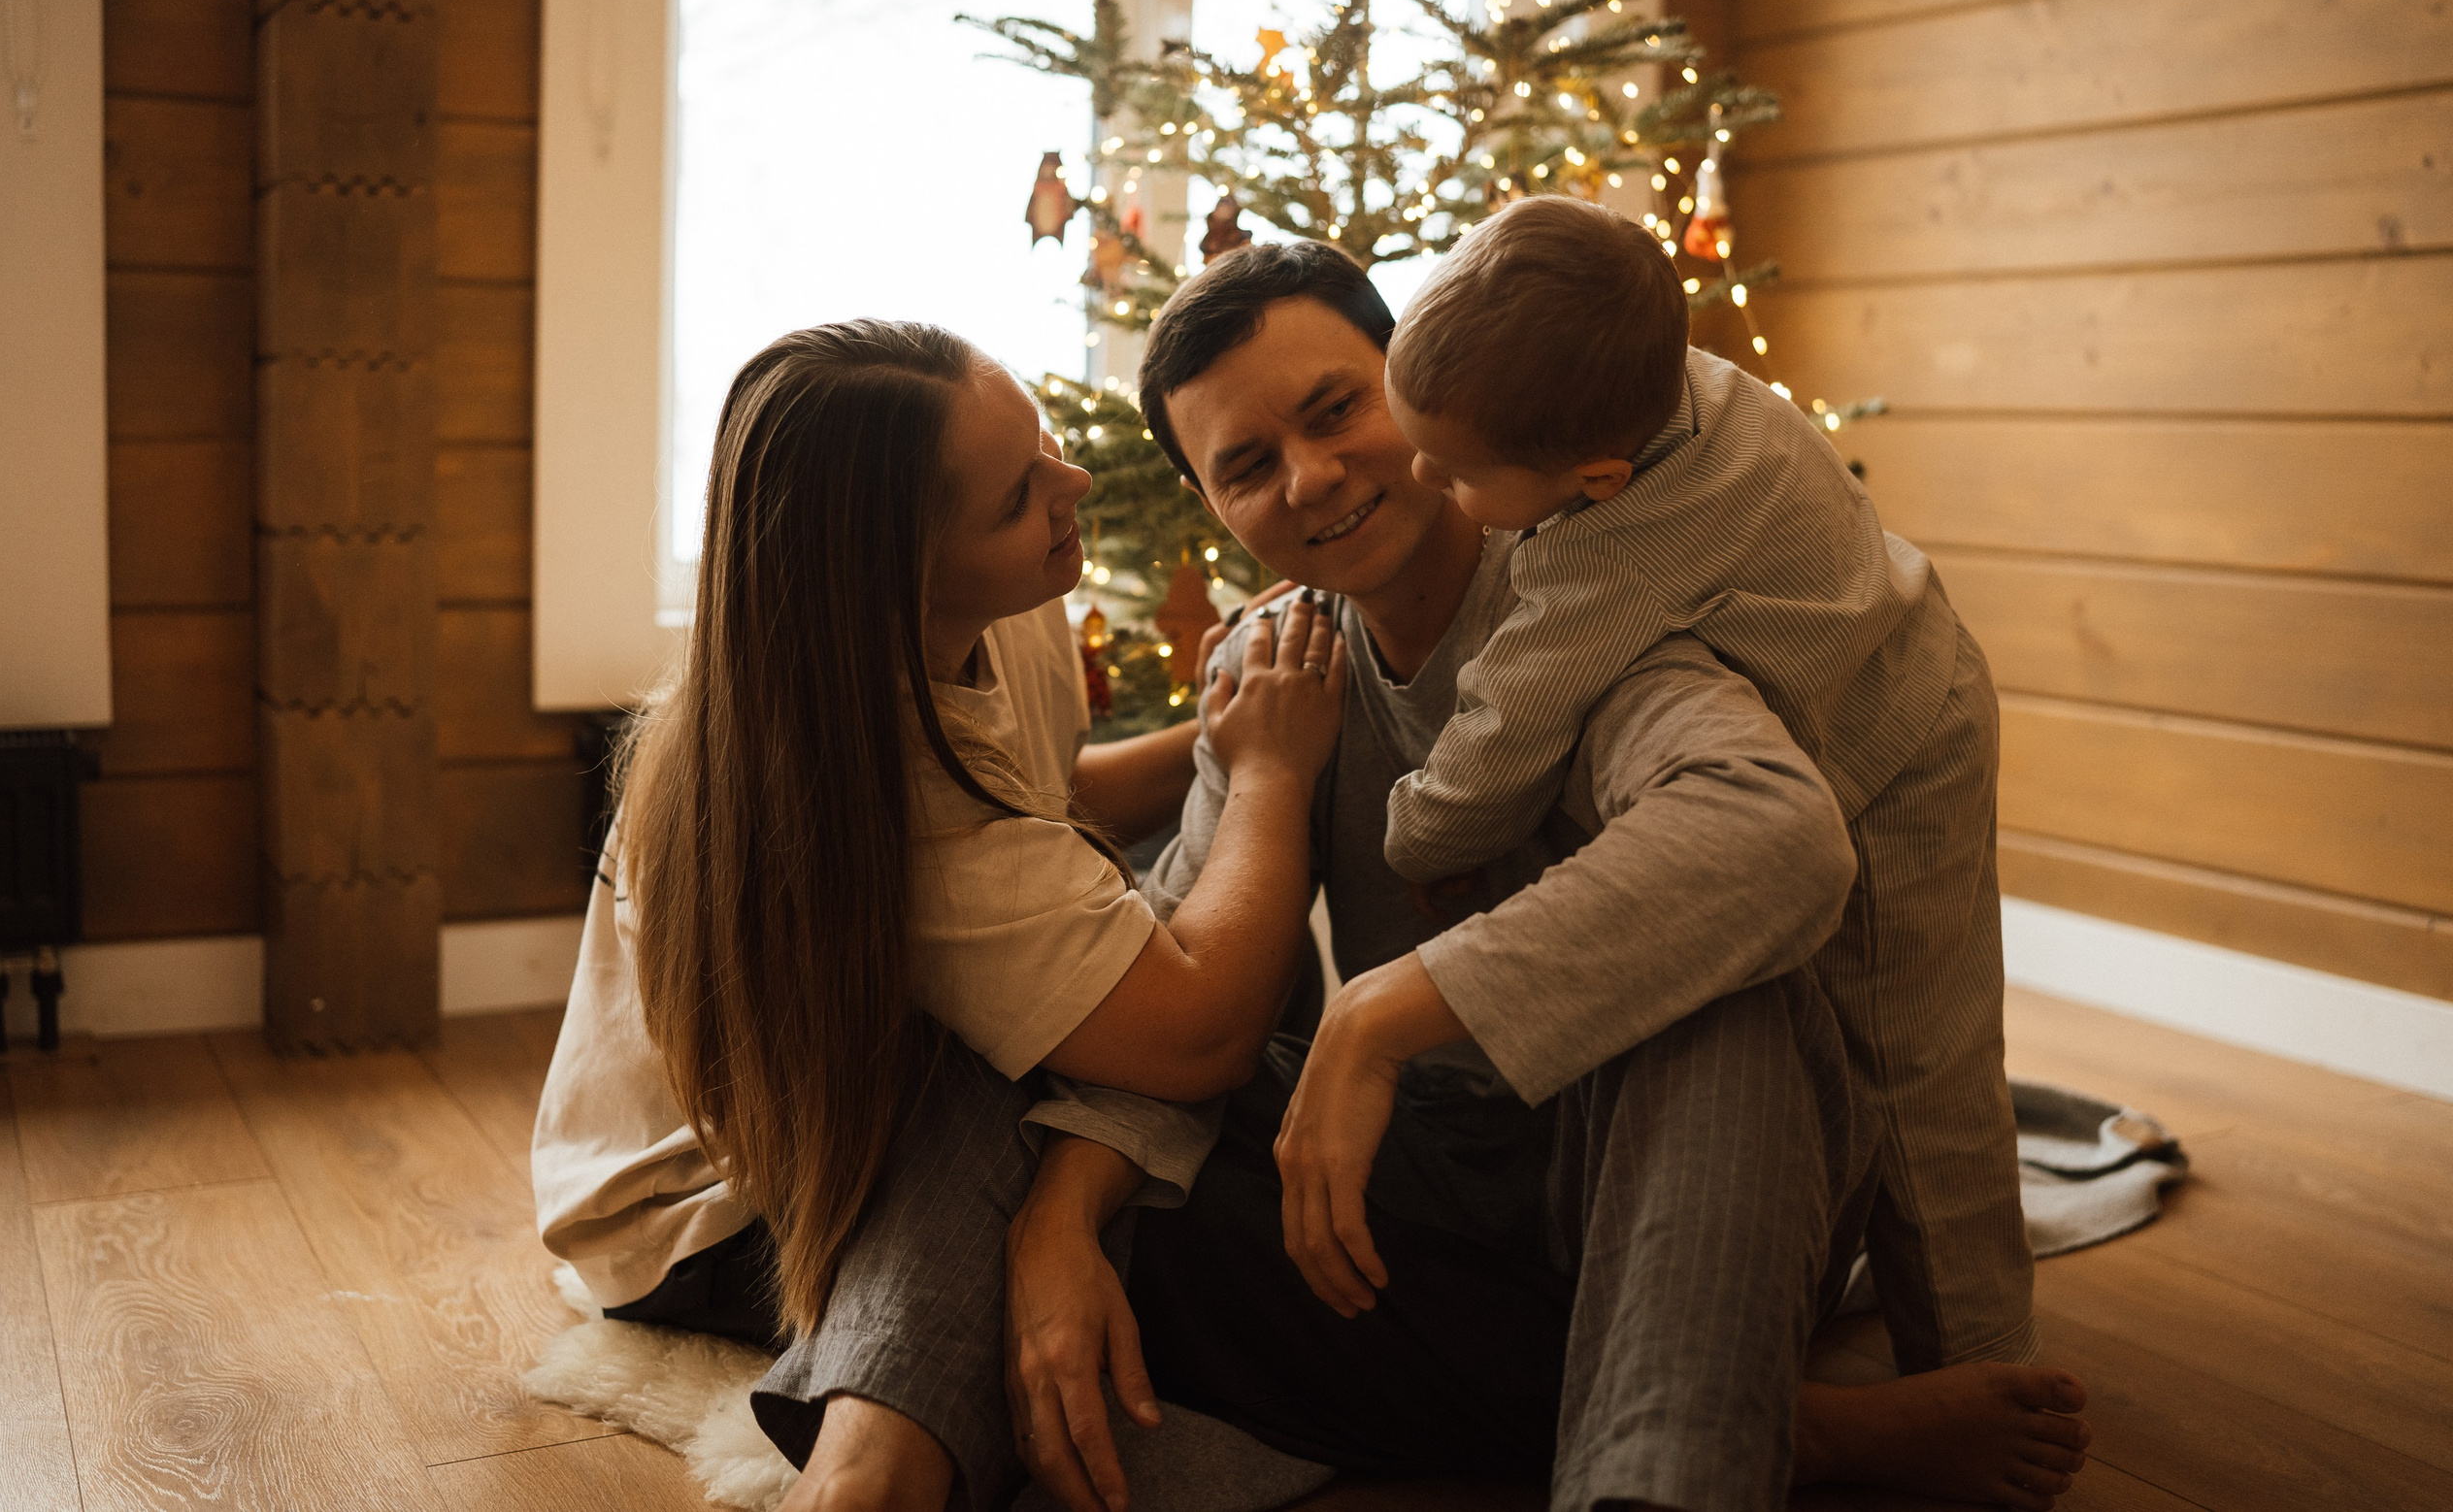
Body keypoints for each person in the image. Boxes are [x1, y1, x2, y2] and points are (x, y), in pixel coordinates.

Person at [1000, 240, 2090, 1512]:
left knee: (1725, 988)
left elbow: (1775, 838)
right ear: (1215, 508)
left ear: (1415, 386)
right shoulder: (1276, 665)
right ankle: (1785, 1422)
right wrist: (1060, 1216)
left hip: (1680, 1169)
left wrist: (1382, 1010)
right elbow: (1184, 971)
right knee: (1083, 1178)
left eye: (1337, 409)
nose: (1311, 476)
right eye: (1246, 465)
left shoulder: (1605, 596)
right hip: (1438, 1180)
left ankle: (1661, 1467)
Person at [530, 318, 1345, 1512]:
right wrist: (1271, 774)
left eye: (1048, 445)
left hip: (855, 1086)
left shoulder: (985, 612)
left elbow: (1041, 810)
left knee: (1179, 1028)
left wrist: (1231, 716)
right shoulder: (867, 788)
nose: (1072, 485)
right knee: (1015, 1081)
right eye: (1021, 496)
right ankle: (874, 1465)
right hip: (703, 1216)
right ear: (901, 574)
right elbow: (1199, 1035)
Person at [1376, 194, 2038, 1378]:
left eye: (1456, 470)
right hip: (1903, 663)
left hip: (1895, 757)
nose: (1420, 475)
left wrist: (1419, 836)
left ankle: (1979, 1369)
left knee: (1918, 1072)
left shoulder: (1612, 551)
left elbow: (1504, 731)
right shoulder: (1686, 380)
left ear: (1598, 477)